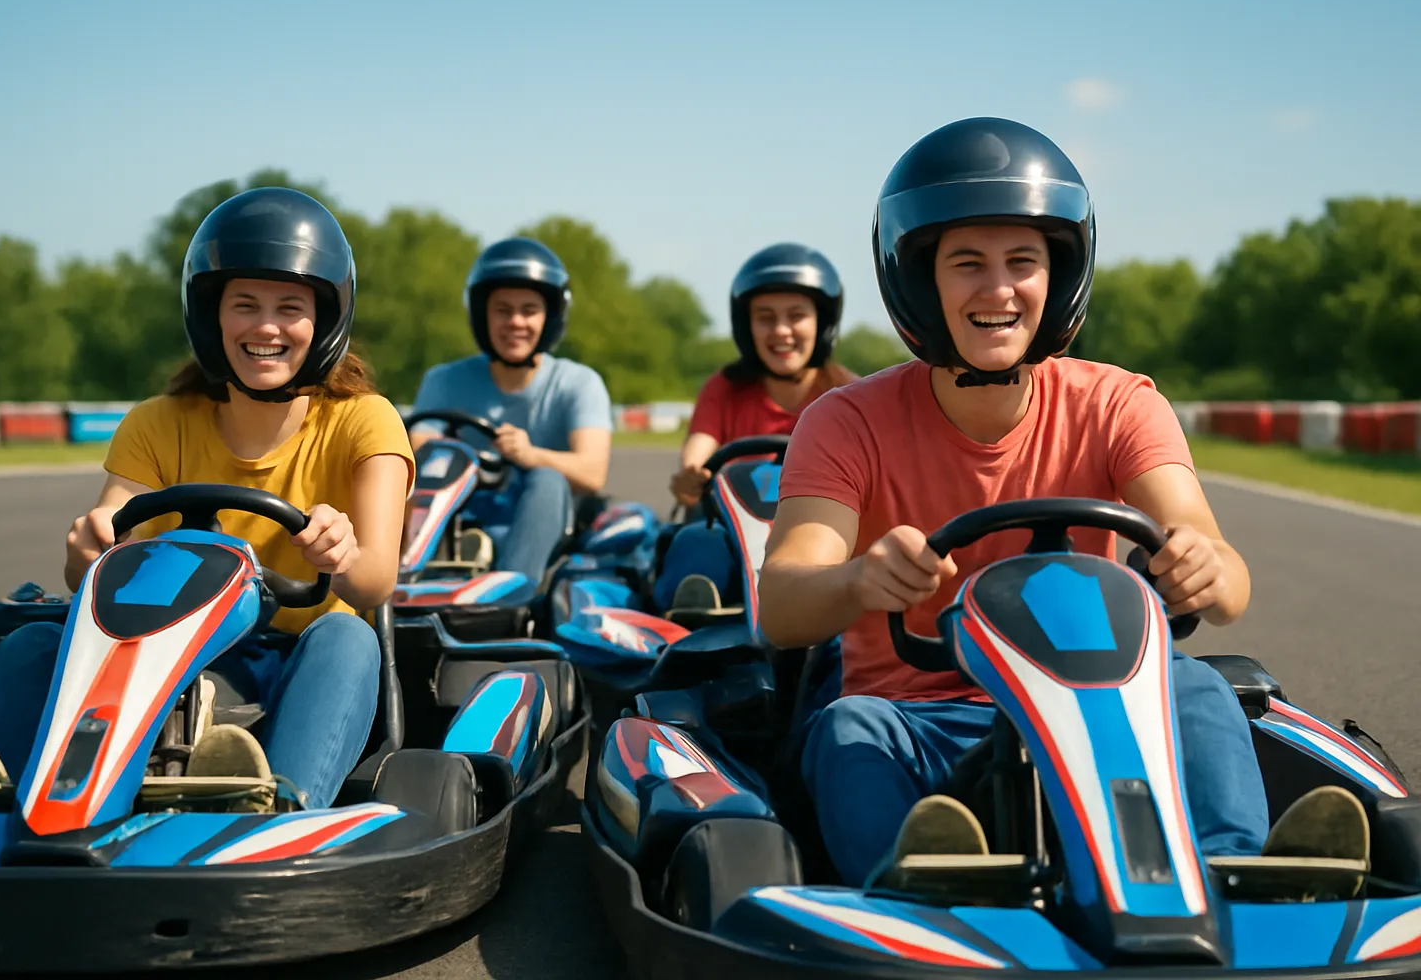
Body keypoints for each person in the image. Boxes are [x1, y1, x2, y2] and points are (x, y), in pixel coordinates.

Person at [758, 117, 1369, 893]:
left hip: (1100, 709)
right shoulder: (845, 421)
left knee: (1201, 689)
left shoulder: (1120, 403)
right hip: (920, 714)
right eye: (967, 263)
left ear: (1061, 276)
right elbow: (781, 605)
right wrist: (855, 581)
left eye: (1023, 261)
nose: (998, 289)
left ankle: (1238, 874)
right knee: (847, 729)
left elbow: (1229, 583)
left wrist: (1198, 567)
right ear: (920, 280)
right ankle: (924, 890)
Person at [0, 186, 413, 812]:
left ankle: (280, 803)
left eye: (290, 307)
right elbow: (97, 562)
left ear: (325, 321)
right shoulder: (158, 422)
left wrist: (340, 554)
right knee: (31, 645)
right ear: (211, 315)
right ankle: (3, 809)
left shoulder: (365, 422)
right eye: (245, 305)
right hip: (164, 653)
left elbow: (374, 585)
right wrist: (88, 548)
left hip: (296, 657)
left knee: (350, 639)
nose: (266, 326)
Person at [656, 243, 858, 613]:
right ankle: (694, 626)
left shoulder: (849, 396)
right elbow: (699, 455)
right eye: (765, 317)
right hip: (730, 535)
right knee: (695, 543)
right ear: (747, 326)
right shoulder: (724, 389)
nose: (781, 331)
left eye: (796, 315)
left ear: (822, 322)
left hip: (814, 535)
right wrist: (691, 476)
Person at [408, 238, 612, 585]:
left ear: (549, 318)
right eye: (502, 310)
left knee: (546, 477)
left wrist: (530, 454)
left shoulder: (578, 382)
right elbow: (419, 447)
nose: (516, 322)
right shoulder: (443, 379)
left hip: (541, 518)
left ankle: (510, 590)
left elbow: (593, 474)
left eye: (529, 310)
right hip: (459, 514)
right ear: (482, 316)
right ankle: (404, 581)